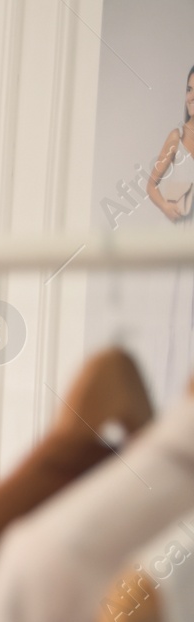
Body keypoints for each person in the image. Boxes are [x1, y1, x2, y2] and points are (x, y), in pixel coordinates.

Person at [146, 64, 194, 400]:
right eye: (189, 89)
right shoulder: (176, 137)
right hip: (181, 234)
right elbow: (151, 184)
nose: (192, 97)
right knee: (176, 315)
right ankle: (172, 398)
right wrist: (165, 207)